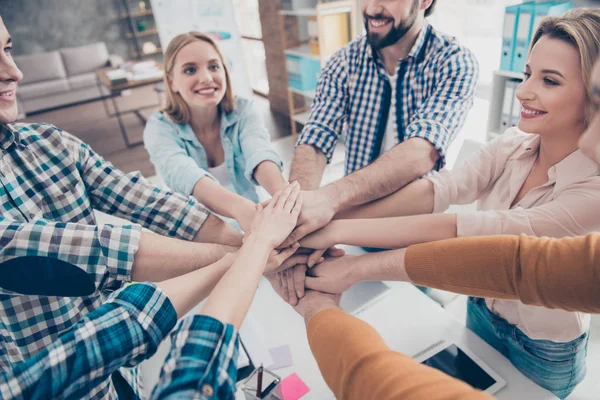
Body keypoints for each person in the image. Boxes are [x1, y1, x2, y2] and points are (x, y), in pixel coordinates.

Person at [296, 9, 600, 398]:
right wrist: (325, 215)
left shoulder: (591, 191)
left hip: (543, 345)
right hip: (482, 310)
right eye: (526, 74)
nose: (523, 92)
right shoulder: (514, 143)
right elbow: (441, 190)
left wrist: (339, 237)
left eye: (550, 81)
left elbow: (480, 235)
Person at [0, 15, 260, 399]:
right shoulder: (161, 127)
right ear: (171, 81)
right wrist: (250, 251)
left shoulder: (50, 143)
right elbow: (89, 251)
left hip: (123, 370)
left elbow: (145, 200)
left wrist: (251, 239)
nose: (15, 72)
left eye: (7, 49)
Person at [0, 183, 303, 399]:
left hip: (125, 377)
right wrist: (257, 246)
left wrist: (252, 251)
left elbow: (100, 340)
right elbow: (194, 380)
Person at [273, 0, 479, 300]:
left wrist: (330, 199)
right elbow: (315, 140)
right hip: (350, 229)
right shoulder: (344, 62)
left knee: (412, 320)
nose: (371, 7)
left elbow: (422, 152)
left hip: (415, 235)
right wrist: (294, 225)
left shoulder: (453, 61)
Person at [144, 32, 288, 232]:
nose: (206, 78)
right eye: (190, 70)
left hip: (254, 218)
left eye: (213, 66)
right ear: (171, 83)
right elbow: (185, 175)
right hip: (200, 232)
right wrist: (242, 210)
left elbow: (259, 153)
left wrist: (286, 201)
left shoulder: (243, 111)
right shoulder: (159, 128)